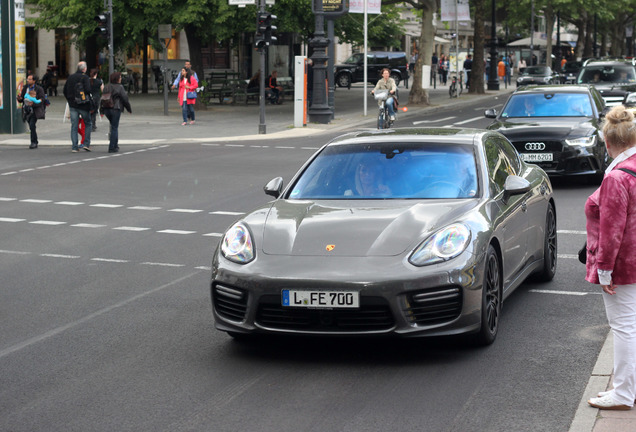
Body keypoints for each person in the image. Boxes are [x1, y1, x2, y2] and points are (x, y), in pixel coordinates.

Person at [585, 105, 636, 411]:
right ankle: (627, 388)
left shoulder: (617, 178)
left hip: (625, 265)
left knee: (624, 327)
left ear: (607, 141)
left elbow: (612, 231)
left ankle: (622, 393)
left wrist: (604, 272)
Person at [63, 61, 93, 152]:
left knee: (74, 126)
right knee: (88, 123)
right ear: (84, 69)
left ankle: (74, 147)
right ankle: (86, 143)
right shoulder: (85, 77)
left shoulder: (70, 77)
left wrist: (69, 100)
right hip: (83, 104)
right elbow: (88, 90)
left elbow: (65, 90)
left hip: (72, 105)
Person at [100, 71, 132, 153]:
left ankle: (115, 145)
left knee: (113, 126)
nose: (121, 79)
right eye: (120, 77)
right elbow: (125, 98)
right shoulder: (120, 87)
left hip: (107, 109)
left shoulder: (106, 87)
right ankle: (112, 147)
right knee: (114, 127)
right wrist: (128, 109)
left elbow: (103, 98)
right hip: (116, 108)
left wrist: (102, 110)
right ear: (117, 79)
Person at [16, 74, 46, 149]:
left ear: (34, 80)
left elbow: (42, 99)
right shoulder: (25, 88)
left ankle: (33, 142)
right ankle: (35, 140)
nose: (28, 80)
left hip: (34, 110)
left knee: (32, 125)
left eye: (29, 79)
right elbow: (22, 98)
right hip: (27, 109)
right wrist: (19, 99)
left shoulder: (39, 89)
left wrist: (34, 103)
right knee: (31, 125)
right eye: (27, 79)